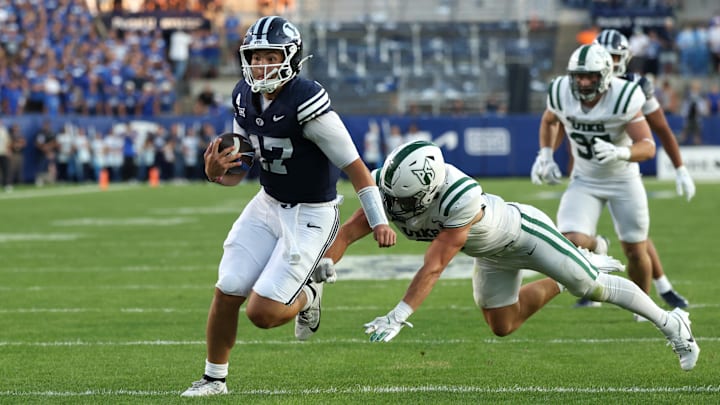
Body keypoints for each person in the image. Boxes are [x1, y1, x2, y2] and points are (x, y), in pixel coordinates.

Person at [317, 140, 699, 372]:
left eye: (403, 199)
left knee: (592, 285)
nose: (395, 205)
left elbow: (434, 265)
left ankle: (673, 325)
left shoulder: (459, 196)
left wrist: (399, 315)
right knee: (503, 326)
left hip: (523, 235)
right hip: (490, 254)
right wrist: (326, 265)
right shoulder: (388, 185)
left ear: (430, 188)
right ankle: (573, 266)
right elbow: (349, 232)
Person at [181, 16, 397, 397]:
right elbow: (242, 164)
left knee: (262, 314)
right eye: (255, 57)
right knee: (228, 288)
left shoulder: (308, 102)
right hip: (266, 203)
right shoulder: (243, 97)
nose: (261, 66)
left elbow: (358, 170)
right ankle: (214, 380)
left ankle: (310, 295)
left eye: (270, 56)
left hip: (312, 213)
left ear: (291, 59)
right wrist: (214, 171)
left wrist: (379, 221)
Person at [554, 29, 694, 310]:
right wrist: (551, 157)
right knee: (575, 236)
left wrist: (680, 168)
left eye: (615, 56)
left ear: (625, 58)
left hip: (622, 169)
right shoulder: (576, 87)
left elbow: (660, 129)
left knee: (635, 242)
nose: (610, 60)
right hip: (588, 173)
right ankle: (596, 284)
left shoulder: (635, 87)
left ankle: (661, 288)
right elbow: (565, 124)